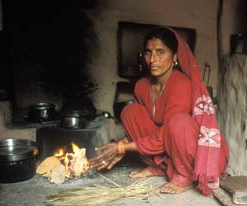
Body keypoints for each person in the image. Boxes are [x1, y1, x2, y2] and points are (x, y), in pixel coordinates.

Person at [89, 27, 229, 195]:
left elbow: (166, 136)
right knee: (130, 111)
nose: (153, 59)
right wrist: (122, 144)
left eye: (160, 52)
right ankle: (159, 167)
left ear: (175, 57)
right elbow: (142, 127)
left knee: (179, 122)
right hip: (169, 149)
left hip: (193, 152)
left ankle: (184, 175)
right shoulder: (141, 86)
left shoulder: (181, 84)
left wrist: (122, 148)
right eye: (148, 53)